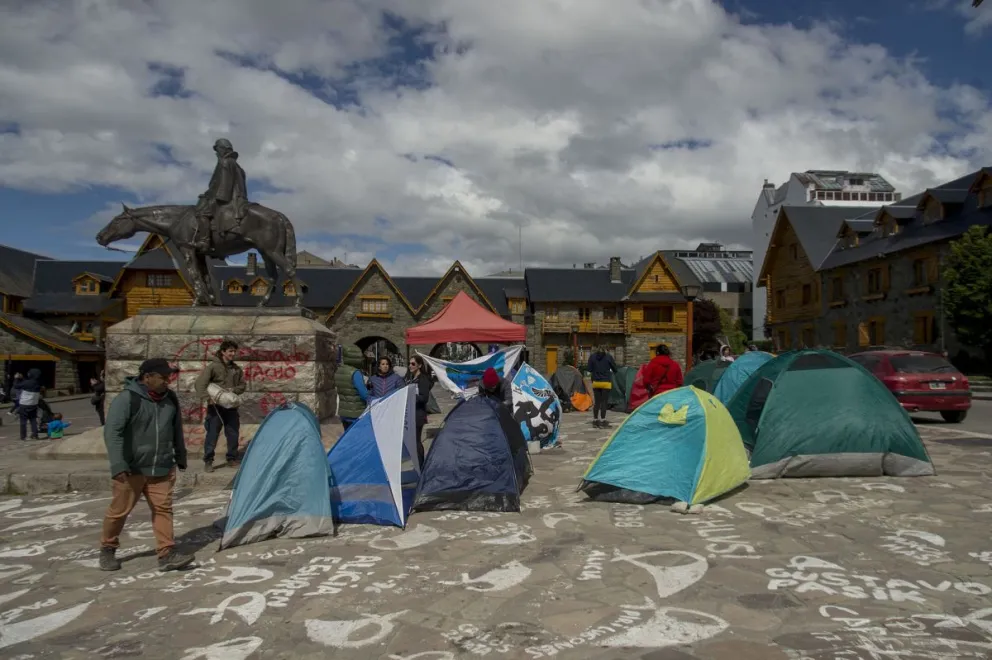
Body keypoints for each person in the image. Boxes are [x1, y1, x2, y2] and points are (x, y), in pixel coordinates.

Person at [100, 358, 193, 572]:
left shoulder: (170, 398)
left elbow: (176, 428)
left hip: (161, 465)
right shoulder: (127, 399)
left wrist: (180, 455)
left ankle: (166, 553)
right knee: (119, 511)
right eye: (163, 377)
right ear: (147, 376)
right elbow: (113, 433)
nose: (167, 381)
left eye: (169, 377)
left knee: (163, 509)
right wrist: (118, 464)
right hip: (131, 468)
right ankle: (107, 548)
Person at [195, 340, 246, 473]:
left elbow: (242, 386)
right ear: (223, 352)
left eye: (234, 351)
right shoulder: (212, 367)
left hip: (231, 407)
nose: (233, 354)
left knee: (233, 432)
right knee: (212, 433)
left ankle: (231, 458)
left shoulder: (236, 369)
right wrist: (207, 399)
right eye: (230, 351)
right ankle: (208, 461)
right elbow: (200, 384)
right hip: (215, 407)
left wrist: (233, 390)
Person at [193, 138, 248, 252]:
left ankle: (204, 241)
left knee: (202, 212)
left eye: (217, 149)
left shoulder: (225, 162)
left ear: (223, 149)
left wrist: (210, 196)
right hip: (240, 197)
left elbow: (224, 184)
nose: (216, 152)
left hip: (230, 198)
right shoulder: (238, 167)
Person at [406, 355, 432, 468]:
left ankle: (421, 466)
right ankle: (418, 464)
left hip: (418, 414)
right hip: (410, 413)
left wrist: (412, 396)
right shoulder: (410, 378)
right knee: (413, 441)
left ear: (419, 365)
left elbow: (424, 398)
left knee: (416, 441)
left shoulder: (423, 379)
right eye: (409, 363)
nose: (410, 366)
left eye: (413, 364)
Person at [335, 346, 370, 432]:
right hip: (356, 412)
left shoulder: (338, 370)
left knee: (347, 434)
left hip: (343, 411)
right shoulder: (355, 373)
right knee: (357, 437)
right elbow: (364, 394)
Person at [587, 346, 617, 428]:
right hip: (606, 382)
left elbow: (589, 369)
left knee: (597, 402)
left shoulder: (592, 357)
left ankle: (595, 420)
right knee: (604, 402)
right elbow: (615, 369)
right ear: (605, 350)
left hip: (596, 382)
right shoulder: (608, 357)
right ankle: (603, 421)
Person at [16, 369, 43, 441]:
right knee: (33, 420)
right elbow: (29, 383)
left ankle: (23, 436)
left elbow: (16, 386)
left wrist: (17, 379)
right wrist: (22, 379)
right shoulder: (38, 383)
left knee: (23, 421)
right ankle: (35, 435)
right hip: (33, 404)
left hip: (24, 404)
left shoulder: (26, 382)